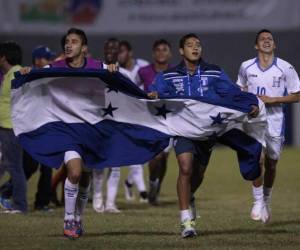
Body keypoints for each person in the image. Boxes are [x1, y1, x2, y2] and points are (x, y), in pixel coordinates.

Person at [149, 33, 259, 238]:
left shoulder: (214, 72)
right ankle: (186, 221)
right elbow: (155, 92)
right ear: (182, 51)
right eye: (190, 45)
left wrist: (249, 103)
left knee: (198, 175)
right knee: (185, 168)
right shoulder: (169, 76)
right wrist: (154, 94)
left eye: (198, 45)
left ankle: (189, 196)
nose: (195, 48)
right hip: (183, 131)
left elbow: (232, 92)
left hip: (208, 133)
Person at [20, 28, 117, 239]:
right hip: (66, 130)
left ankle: (79, 218)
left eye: (74, 41)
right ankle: (68, 219)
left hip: (91, 129)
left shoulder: (97, 67)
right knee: (74, 172)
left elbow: (119, 83)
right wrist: (29, 72)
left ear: (84, 48)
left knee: (85, 177)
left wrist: (113, 70)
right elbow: (38, 72)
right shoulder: (55, 66)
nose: (68, 44)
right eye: (67, 41)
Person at [237, 29, 300, 223]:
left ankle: (266, 200)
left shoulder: (285, 68)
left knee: (272, 164)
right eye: (262, 39)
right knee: (258, 159)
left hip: (275, 120)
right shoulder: (246, 67)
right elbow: (239, 89)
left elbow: (297, 94)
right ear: (256, 45)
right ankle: (257, 201)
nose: (266, 41)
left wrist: (274, 99)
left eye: (270, 39)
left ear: (274, 45)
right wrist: (246, 101)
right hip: (254, 120)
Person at [0, 45, 56, 212]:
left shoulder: (28, 74)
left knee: (26, 167)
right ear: (38, 60)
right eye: (48, 58)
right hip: (24, 126)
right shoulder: (22, 73)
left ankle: (32, 203)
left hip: (28, 126)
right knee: (24, 165)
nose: (51, 61)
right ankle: (14, 196)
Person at [138, 39, 173, 205]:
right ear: (153, 53)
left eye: (164, 50)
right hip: (150, 120)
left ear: (170, 53)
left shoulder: (175, 73)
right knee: (156, 156)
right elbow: (131, 88)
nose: (161, 53)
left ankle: (156, 188)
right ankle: (152, 183)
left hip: (170, 121)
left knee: (165, 158)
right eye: (158, 50)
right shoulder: (143, 71)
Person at [92, 38, 122, 213]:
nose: (111, 50)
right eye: (108, 47)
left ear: (120, 51)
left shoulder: (125, 73)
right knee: (99, 164)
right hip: (99, 121)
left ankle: (110, 203)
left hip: (118, 123)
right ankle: (97, 199)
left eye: (115, 48)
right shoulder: (95, 70)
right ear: (104, 49)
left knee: (116, 163)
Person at [118, 40, 149, 202]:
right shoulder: (116, 70)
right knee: (136, 152)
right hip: (127, 115)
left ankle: (129, 182)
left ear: (129, 52)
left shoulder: (143, 65)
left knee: (144, 156)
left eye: (122, 51)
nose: (119, 55)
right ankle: (143, 191)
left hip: (145, 114)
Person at [0, 41, 27, 213]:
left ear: (3, 57)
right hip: (5, 125)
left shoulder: (16, 72)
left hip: (11, 126)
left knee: (14, 167)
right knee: (6, 165)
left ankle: (20, 205)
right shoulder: (9, 73)